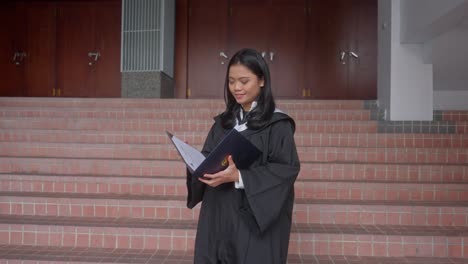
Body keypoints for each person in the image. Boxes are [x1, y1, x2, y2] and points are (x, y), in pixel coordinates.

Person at [186, 48, 300, 264]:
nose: (236, 88)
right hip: (219, 214)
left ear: (262, 80)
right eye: (231, 81)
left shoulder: (277, 125)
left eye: (244, 81)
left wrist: (239, 176)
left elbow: (285, 169)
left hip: (253, 221)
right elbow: (209, 155)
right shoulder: (224, 123)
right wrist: (197, 163)